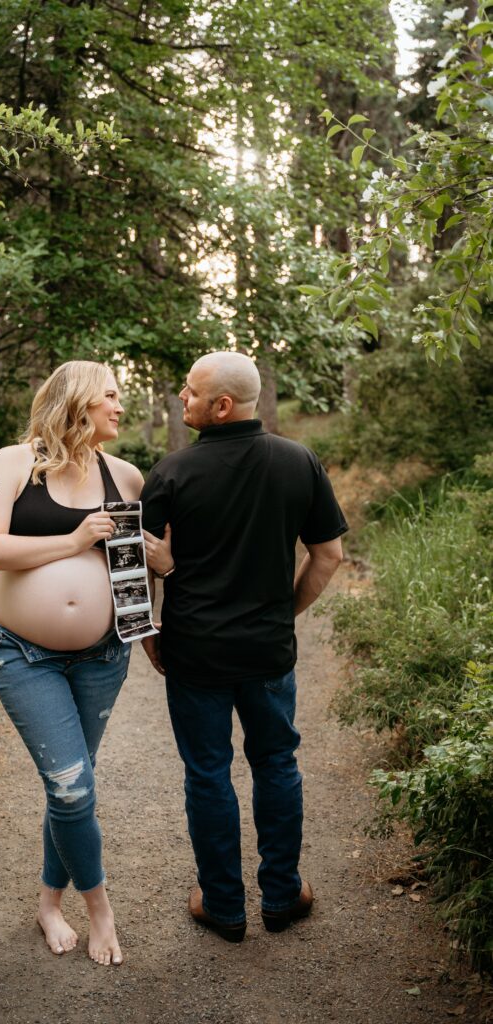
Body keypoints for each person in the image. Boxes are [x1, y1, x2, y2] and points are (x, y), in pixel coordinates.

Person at [141, 351, 347, 942]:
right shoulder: (299, 461)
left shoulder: (171, 473)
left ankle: (224, 907)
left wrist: (150, 631)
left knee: (208, 774)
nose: (181, 398)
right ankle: (283, 897)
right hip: (266, 654)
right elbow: (327, 554)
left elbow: (133, 569)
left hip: (196, 656)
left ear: (221, 405)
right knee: (276, 764)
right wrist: (282, 614)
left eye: (189, 392)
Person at [0, 360, 144, 966]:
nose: (121, 407)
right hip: (22, 652)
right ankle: (100, 909)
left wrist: (160, 576)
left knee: (72, 785)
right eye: (112, 396)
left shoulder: (126, 476)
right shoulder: (14, 463)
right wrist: (71, 542)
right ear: (78, 401)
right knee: (72, 789)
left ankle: (49, 902)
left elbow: (133, 570)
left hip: (103, 656)